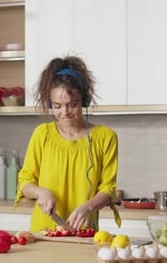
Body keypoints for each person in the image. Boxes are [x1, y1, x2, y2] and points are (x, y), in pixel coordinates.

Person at [14, 56, 121, 233]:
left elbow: (108, 189)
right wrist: (41, 192)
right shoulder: (42, 134)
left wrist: (89, 206)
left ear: (84, 101)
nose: (65, 112)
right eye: (57, 106)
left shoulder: (105, 137)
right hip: (44, 232)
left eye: (73, 105)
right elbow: (25, 182)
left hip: (84, 232)